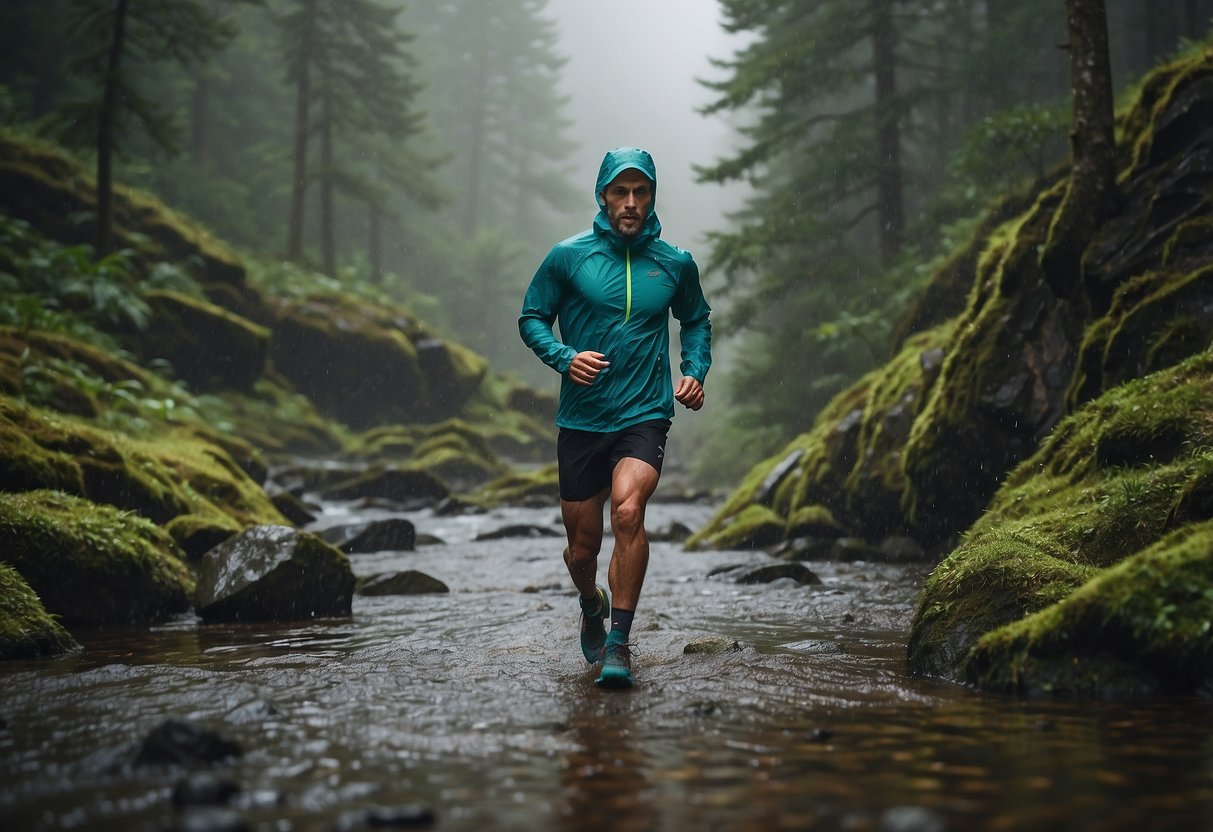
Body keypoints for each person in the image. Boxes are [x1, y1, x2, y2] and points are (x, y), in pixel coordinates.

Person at [518, 147, 712, 689]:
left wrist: (694, 370)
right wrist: (563, 356)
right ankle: (591, 602)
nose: (630, 203)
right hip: (582, 419)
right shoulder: (568, 256)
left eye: (641, 193)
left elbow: (696, 320)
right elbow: (532, 316)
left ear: (651, 198)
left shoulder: (675, 263)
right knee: (582, 549)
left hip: (644, 413)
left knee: (628, 512)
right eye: (620, 192)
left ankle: (620, 643)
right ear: (603, 195)